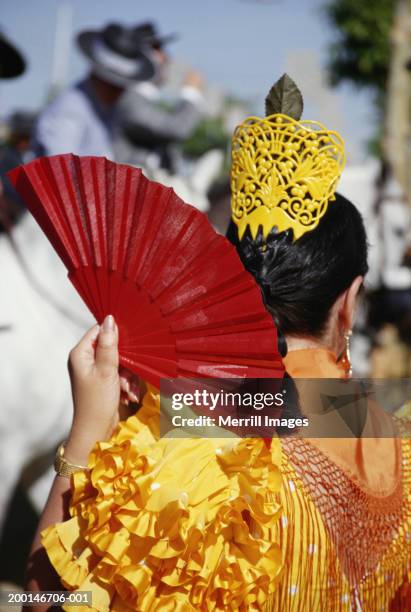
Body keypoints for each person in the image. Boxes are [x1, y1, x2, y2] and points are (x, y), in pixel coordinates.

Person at [24, 77, 411, 611]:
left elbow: (42, 600)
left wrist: (88, 432)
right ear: (350, 300)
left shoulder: (173, 442)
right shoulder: (402, 448)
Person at [33, 23, 154, 158]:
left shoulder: (107, 109)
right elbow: (61, 170)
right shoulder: (69, 111)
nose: (119, 91)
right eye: (113, 84)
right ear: (97, 74)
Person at [113, 22, 204, 174]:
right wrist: (191, 93)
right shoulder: (129, 102)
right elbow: (177, 128)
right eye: (156, 48)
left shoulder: (145, 101)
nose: (166, 57)